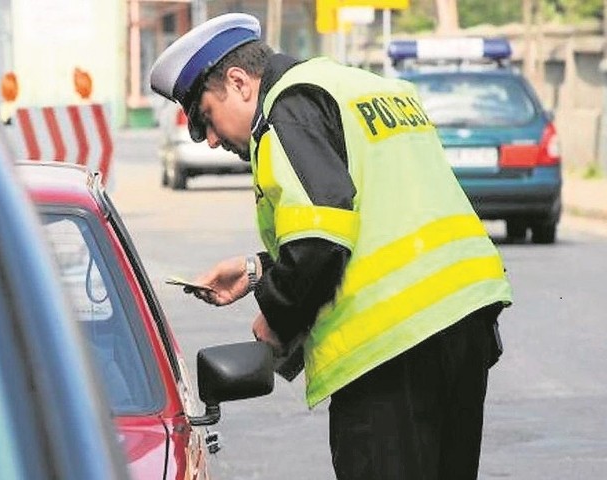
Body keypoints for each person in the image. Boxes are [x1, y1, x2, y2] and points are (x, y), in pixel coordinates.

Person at [150, 12, 512, 480]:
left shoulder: (287, 107)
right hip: (465, 321)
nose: (213, 139)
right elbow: (378, 213)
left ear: (239, 82)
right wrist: (260, 269)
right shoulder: (360, 86)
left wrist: (277, 318)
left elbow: (320, 242)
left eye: (205, 119)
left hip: (390, 344)